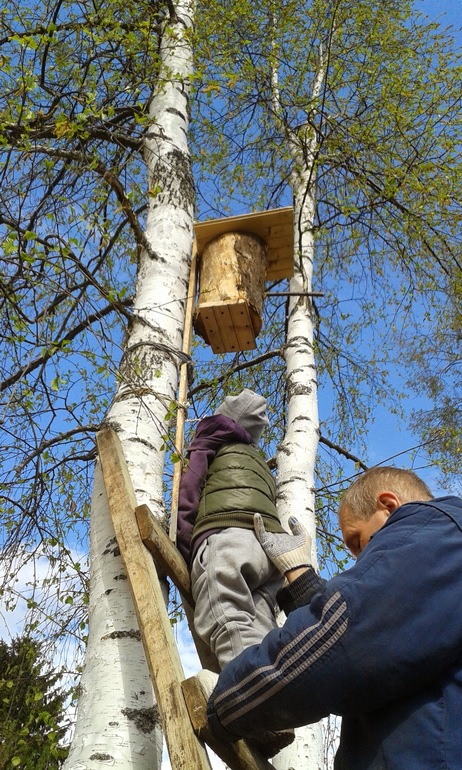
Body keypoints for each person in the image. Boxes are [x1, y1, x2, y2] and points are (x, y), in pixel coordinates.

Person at [206, 466, 462, 770]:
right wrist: (298, 571)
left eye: (357, 541)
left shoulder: (439, 535)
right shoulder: (445, 552)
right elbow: (368, 628)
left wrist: (229, 701)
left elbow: (346, 643)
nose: (359, 557)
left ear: (389, 506)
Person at [176, 389, 294, 667]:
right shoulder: (260, 464)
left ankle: (251, 689)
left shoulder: (212, 440)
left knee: (226, 612)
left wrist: (185, 540)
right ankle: (277, 684)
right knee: (261, 619)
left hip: (228, 535)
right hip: (271, 549)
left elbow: (190, 486)